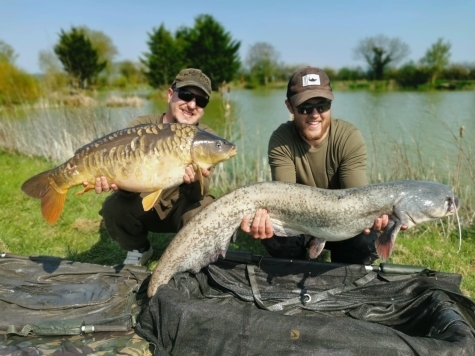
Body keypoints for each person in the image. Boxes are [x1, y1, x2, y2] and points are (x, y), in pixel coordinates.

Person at [240, 66, 405, 264]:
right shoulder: (281, 139)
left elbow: (358, 197)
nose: (315, 114)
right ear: (290, 107)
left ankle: (341, 266)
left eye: (323, 105)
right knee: (277, 239)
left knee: (365, 241)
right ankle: (295, 265)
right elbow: (285, 201)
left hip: (343, 223)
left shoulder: (349, 137)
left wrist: (379, 217)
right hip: (299, 222)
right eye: (305, 108)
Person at [86, 68, 216, 266]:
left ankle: (187, 254)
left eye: (201, 100)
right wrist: (116, 182)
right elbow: (126, 184)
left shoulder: (205, 138)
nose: (192, 104)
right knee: (113, 207)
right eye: (186, 95)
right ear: (170, 94)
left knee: (206, 211)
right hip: (143, 201)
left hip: (180, 207)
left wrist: (196, 181)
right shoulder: (141, 126)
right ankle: (140, 249)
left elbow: (197, 195)